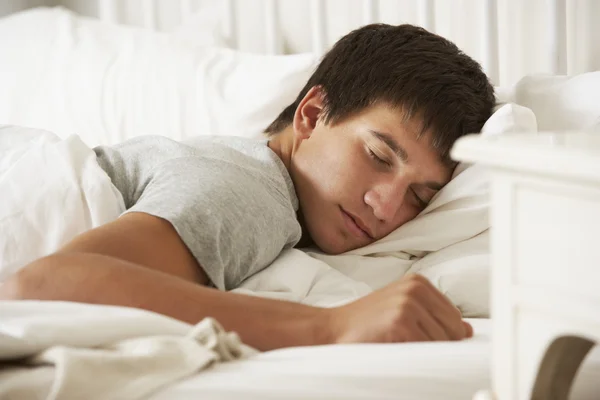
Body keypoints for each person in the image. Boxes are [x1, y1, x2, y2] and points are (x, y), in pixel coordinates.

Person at [0, 24, 495, 351]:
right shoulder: (251, 190)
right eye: (378, 156)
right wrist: (331, 326)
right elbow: (43, 286)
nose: (385, 207)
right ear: (312, 114)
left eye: (419, 197)